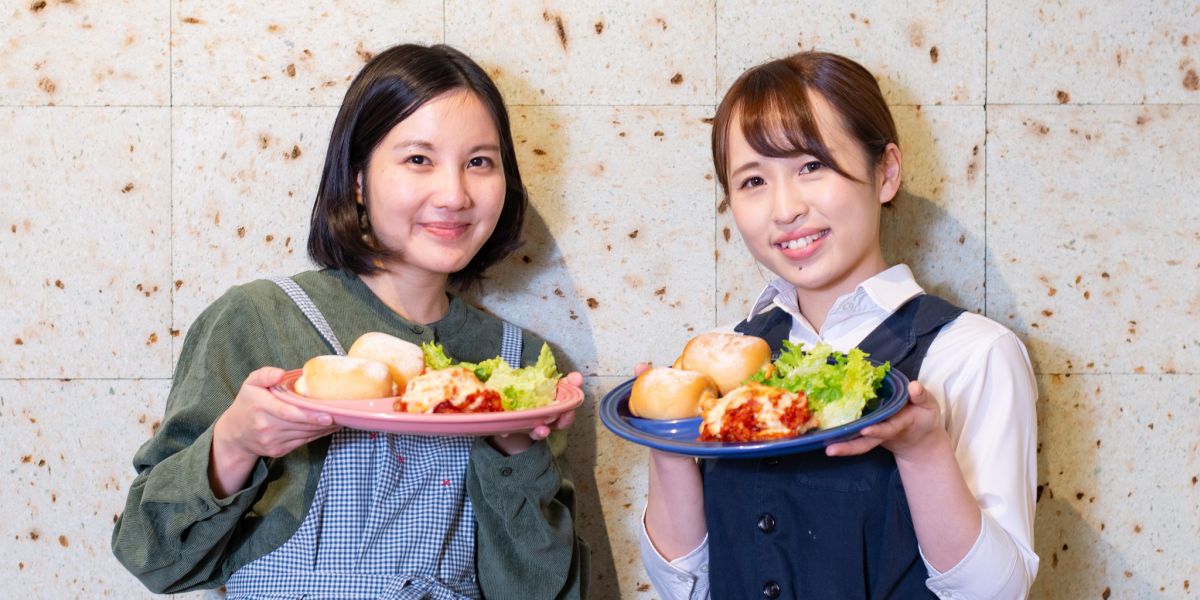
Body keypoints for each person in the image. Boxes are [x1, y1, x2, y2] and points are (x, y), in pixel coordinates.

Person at [112, 43, 589, 599]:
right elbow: (152, 559)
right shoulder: (259, 319)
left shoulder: (518, 367)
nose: (455, 194)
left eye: (479, 162)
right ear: (358, 179)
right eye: (419, 159)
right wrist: (236, 444)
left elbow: (544, 593)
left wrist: (512, 447)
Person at [639, 52, 1039, 599]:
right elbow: (684, 586)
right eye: (753, 180)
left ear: (887, 172)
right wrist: (666, 438)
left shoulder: (972, 354)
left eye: (811, 166)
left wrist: (923, 451)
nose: (785, 209)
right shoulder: (729, 366)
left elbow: (996, 595)